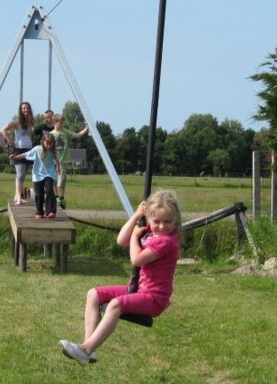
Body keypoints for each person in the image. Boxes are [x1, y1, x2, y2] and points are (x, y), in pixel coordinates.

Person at [58, 189, 182, 366]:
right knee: (93, 294)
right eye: (156, 221)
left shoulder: (167, 241)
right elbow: (121, 240)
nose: (162, 226)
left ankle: (85, 350)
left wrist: (135, 236)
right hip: (140, 289)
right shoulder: (150, 232)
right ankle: (89, 347)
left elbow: (137, 259)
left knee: (116, 304)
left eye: (168, 222)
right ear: (149, 218)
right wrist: (136, 216)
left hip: (155, 298)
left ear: (175, 220)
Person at [10, 133, 61, 219]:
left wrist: (58, 167)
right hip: (37, 174)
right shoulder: (37, 149)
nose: (49, 146)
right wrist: (16, 157)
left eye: (51, 144)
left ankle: (51, 211)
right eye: (47, 143)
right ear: (43, 142)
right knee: (39, 193)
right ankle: (39, 211)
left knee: (49, 190)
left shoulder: (53, 150)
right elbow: (26, 154)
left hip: (49, 174)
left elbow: (57, 160)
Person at [51, 113, 89, 209]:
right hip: (52, 161)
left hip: (62, 161)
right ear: (55, 123)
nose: (62, 124)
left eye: (63, 122)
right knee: (53, 181)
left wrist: (86, 129)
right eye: (60, 122)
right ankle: (56, 197)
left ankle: (61, 198)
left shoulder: (65, 132)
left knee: (61, 181)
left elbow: (77, 135)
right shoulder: (50, 134)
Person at [0, 101, 36, 205]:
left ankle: (17, 196)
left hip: (29, 150)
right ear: (21, 110)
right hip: (19, 150)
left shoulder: (31, 122)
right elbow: (3, 129)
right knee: (20, 175)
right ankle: (19, 198)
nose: (26, 110)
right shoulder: (17, 122)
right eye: (24, 108)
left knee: (23, 175)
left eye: (27, 108)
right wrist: (10, 140)